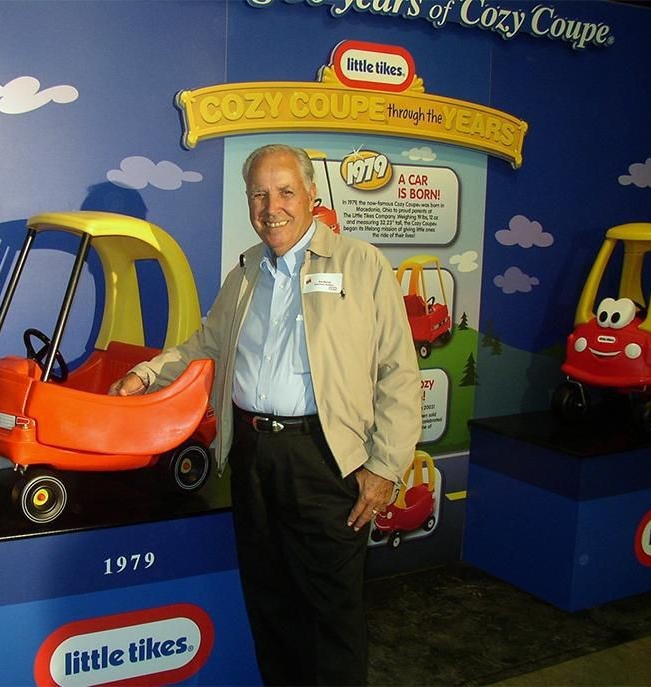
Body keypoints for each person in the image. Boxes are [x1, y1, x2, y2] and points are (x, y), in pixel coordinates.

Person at [108, 143, 422, 686]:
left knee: (331, 617)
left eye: (284, 192)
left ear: (311, 196)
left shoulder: (360, 264)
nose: (271, 206)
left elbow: (397, 369)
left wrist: (387, 466)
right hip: (253, 456)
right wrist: (145, 375)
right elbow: (204, 345)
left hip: (326, 460)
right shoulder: (247, 272)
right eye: (258, 194)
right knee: (270, 602)